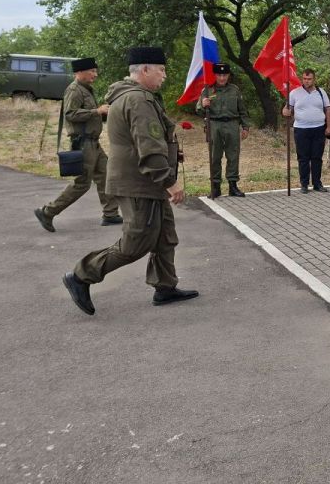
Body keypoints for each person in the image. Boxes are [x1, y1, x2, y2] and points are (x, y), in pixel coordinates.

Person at [62, 47, 198, 316]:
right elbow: (148, 147)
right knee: (136, 243)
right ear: (145, 69)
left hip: (145, 182)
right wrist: (169, 182)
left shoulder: (133, 96)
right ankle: (81, 275)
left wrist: (171, 154)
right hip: (139, 183)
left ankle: (165, 286)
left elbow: (149, 140)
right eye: (161, 70)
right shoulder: (138, 100)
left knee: (164, 236)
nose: (165, 75)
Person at [34, 57, 122, 232]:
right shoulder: (74, 90)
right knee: (82, 183)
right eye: (92, 71)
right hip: (83, 143)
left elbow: (86, 114)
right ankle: (48, 212)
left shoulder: (86, 89)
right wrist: (97, 111)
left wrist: (102, 112)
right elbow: (71, 114)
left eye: (95, 71)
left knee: (106, 176)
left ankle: (110, 214)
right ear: (79, 72)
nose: (95, 74)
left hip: (93, 143)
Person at [196, 62, 250, 198]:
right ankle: (215, 187)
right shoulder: (207, 90)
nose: (222, 78)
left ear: (228, 75)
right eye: (219, 75)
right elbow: (199, 110)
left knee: (233, 155)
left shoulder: (234, 90)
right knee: (215, 156)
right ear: (215, 75)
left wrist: (245, 127)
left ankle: (233, 186)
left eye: (224, 75)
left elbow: (242, 110)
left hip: (232, 124)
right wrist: (203, 105)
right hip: (215, 125)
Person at [282, 68, 330, 193]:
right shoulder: (294, 93)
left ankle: (317, 184)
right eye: (304, 78)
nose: (306, 81)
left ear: (314, 79)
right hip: (301, 129)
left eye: (309, 79)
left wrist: (329, 127)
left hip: (319, 128)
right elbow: (288, 109)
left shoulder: (321, 92)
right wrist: (285, 111)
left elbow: (328, 110)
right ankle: (304, 184)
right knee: (303, 158)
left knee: (317, 157)